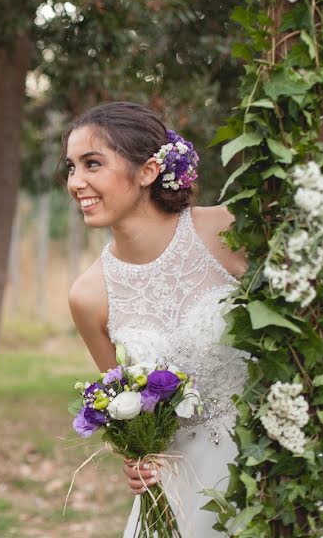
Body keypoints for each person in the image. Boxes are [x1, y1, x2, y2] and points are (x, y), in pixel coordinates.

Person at [64, 102, 247, 537]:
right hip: (182, 496)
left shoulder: (226, 230)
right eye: (70, 168)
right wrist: (135, 457)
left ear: (147, 171)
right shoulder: (88, 296)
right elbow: (128, 407)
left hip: (270, 464)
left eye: (92, 164)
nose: (76, 182)